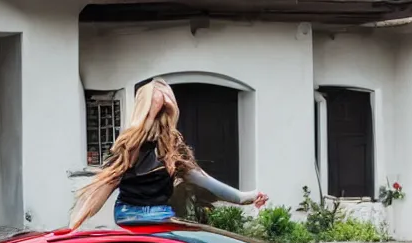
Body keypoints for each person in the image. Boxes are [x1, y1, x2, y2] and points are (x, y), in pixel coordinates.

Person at [69, 78, 267, 230]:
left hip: (127, 214)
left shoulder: (147, 146)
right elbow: (208, 183)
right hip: (156, 215)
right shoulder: (140, 146)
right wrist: (245, 197)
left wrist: (73, 227)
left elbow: (105, 187)